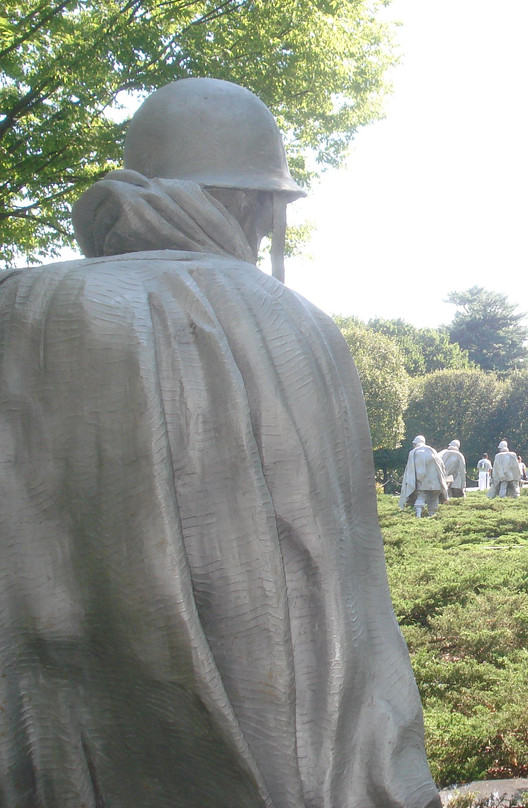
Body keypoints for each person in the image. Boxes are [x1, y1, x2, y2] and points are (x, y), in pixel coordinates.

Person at [0, 78, 439, 807]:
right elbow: (339, 588)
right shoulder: (295, 324)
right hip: (276, 746)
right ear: (245, 200)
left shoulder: (19, 306)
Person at [399, 435, 449, 517]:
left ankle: (418, 515)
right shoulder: (432, 450)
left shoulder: (414, 452)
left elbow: (411, 469)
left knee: (421, 496)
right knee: (434, 499)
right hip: (436, 482)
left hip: (422, 482)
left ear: (416, 443)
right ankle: (432, 516)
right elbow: (441, 465)